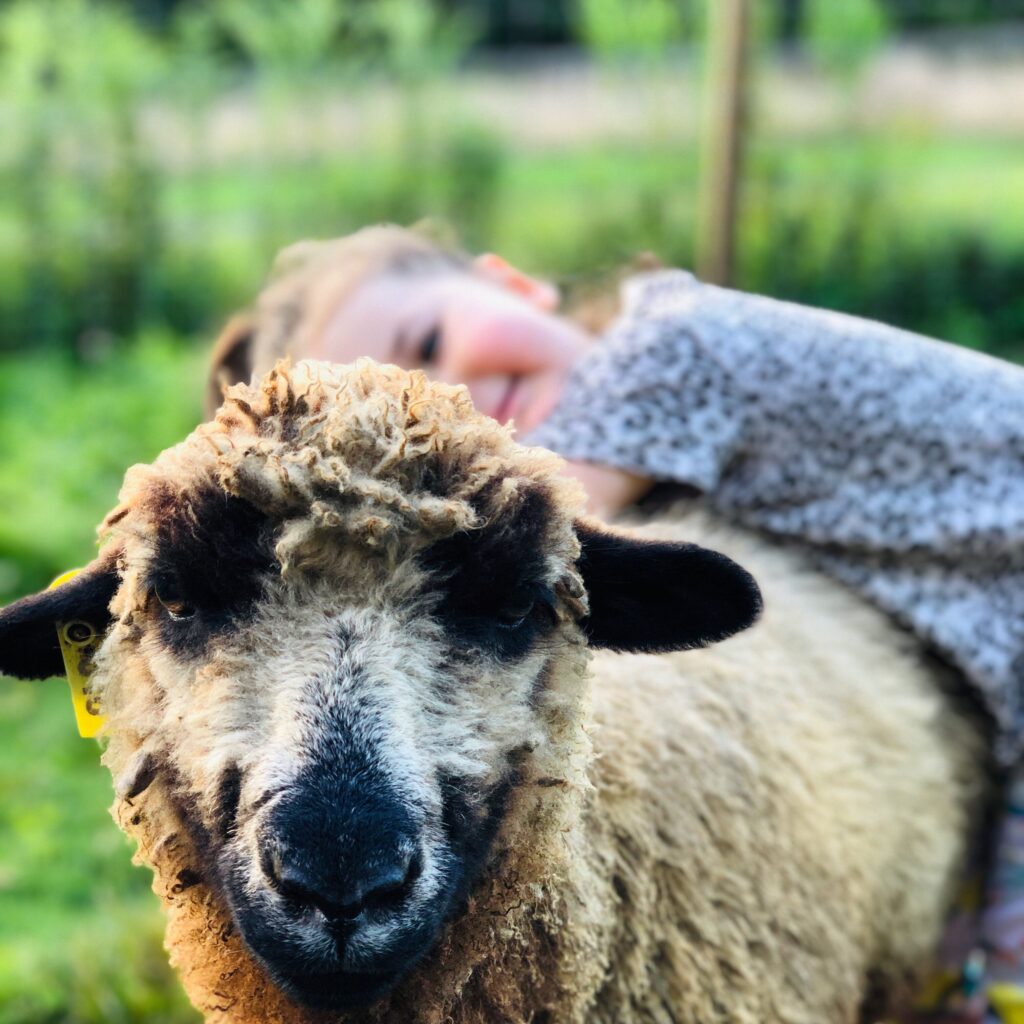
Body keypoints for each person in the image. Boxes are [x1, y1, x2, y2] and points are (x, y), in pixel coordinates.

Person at [209, 224, 1024, 1023]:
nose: (457, 393)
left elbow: (510, 523)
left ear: (511, 280)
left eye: (428, 342)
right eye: (403, 423)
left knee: (1005, 965)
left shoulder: (662, 352)